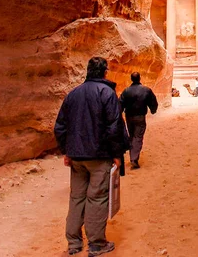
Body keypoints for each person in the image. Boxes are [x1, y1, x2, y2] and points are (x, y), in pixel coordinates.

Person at [54, 57, 125, 257]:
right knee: (97, 198)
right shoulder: (107, 93)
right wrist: (116, 154)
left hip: (76, 157)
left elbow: (60, 127)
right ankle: (96, 244)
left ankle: (74, 243)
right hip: (99, 156)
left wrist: (66, 151)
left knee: (77, 197)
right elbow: (114, 127)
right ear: (105, 72)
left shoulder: (73, 94)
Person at [119, 72, 158, 169]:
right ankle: (134, 158)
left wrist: (120, 112)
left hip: (129, 117)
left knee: (132, 136)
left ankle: (133, 156)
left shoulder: (126, 91)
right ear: (140, 78)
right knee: (138, 137)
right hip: (140, 117)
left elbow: (120, 103)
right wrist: (153, 110)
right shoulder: (146, 90)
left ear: (131, 79)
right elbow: (153, 101)